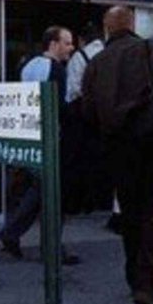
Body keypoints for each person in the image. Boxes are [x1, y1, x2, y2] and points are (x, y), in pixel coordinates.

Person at [81, 5, 153, 304]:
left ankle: (134, 278)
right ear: (133, 24)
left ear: (107, 28)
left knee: (130, 213)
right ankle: (148, 283)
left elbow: (88, 112)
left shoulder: (97, 63)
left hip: (118, 149)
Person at [0, 25, 80, 264]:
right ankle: (51, 248)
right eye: (67, 42)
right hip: (50, 138)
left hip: (29, 135)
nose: (71, 48)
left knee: (38, 191)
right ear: (53, 44)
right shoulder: (56, 70)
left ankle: (11, 234)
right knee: (55, 193)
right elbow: (59, 108)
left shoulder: (28, 65)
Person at [62, 21, 107, 218]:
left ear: (81, 40)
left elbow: (72, 91)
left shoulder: (79, 57)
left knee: (78, 160)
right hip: (108, 115)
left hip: (83, 116)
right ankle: (101, 201)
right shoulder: (110, 54)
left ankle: (77, 204)